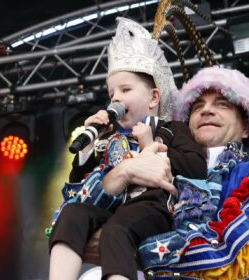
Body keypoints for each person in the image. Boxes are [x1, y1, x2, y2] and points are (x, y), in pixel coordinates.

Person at [82, 66, 249, 279]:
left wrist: (125, 247)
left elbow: (248, 255)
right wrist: (108, 164)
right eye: (197, 107)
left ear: (246, 127)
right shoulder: (161, 172)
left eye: (222, 104)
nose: (206, 110)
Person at [48, 17, 207, 280]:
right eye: (111, 94)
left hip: (154, 208)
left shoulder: (173, 129)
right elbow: (78, 187)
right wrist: (87, 149)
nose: (116, 98)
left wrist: (151, 145)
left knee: (116, 230)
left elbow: (196, 167)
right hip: (114, 207)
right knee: (72, 214)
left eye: (125, 89)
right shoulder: (110, 137)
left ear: (154, 97)